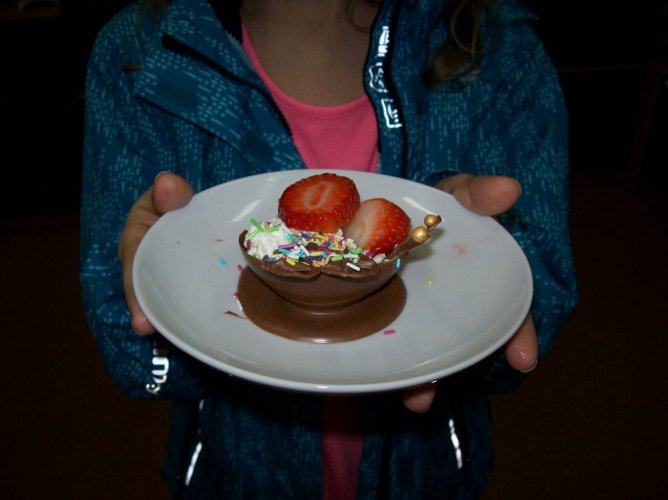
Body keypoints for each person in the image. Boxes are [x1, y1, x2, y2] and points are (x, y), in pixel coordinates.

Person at [80, 0, 578, 498]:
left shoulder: (499, 48)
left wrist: (479, 262)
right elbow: (130, 359)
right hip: (236, 472)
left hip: (426, 472)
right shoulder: (143, 49)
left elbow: (542, 299)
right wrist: (159, 286)